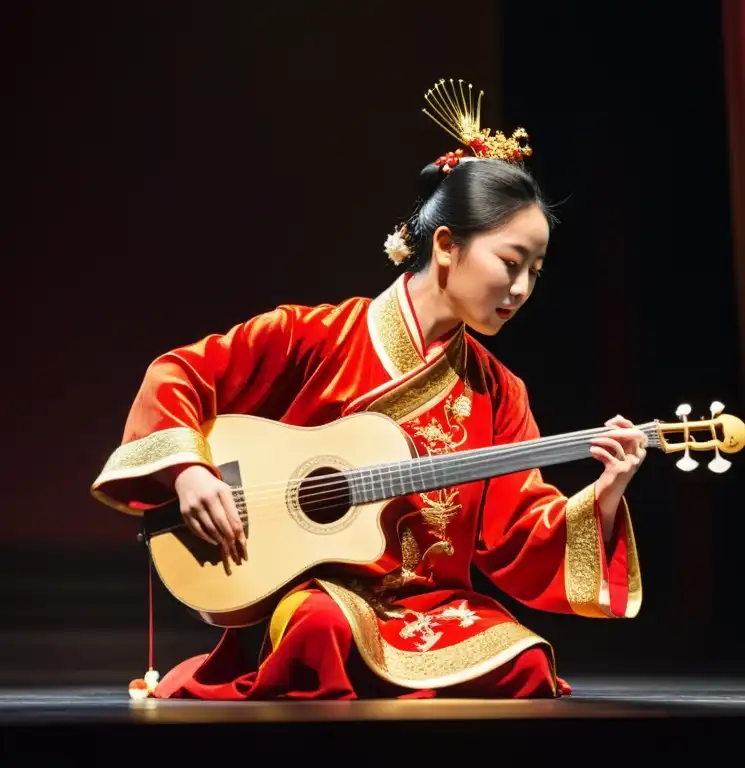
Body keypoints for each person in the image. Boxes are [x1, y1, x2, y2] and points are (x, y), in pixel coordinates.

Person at [90, 78, 644, 700]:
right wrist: (191, 472)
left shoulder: (499, 390)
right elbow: (178, 373)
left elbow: (518, 526)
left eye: (535, 273)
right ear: (446, 246)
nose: (520, 289)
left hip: (428, 606)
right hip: (307, 592)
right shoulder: (313, 336)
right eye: (510, 263)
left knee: (527, 663)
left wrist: (603, 493)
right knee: (320, 630)